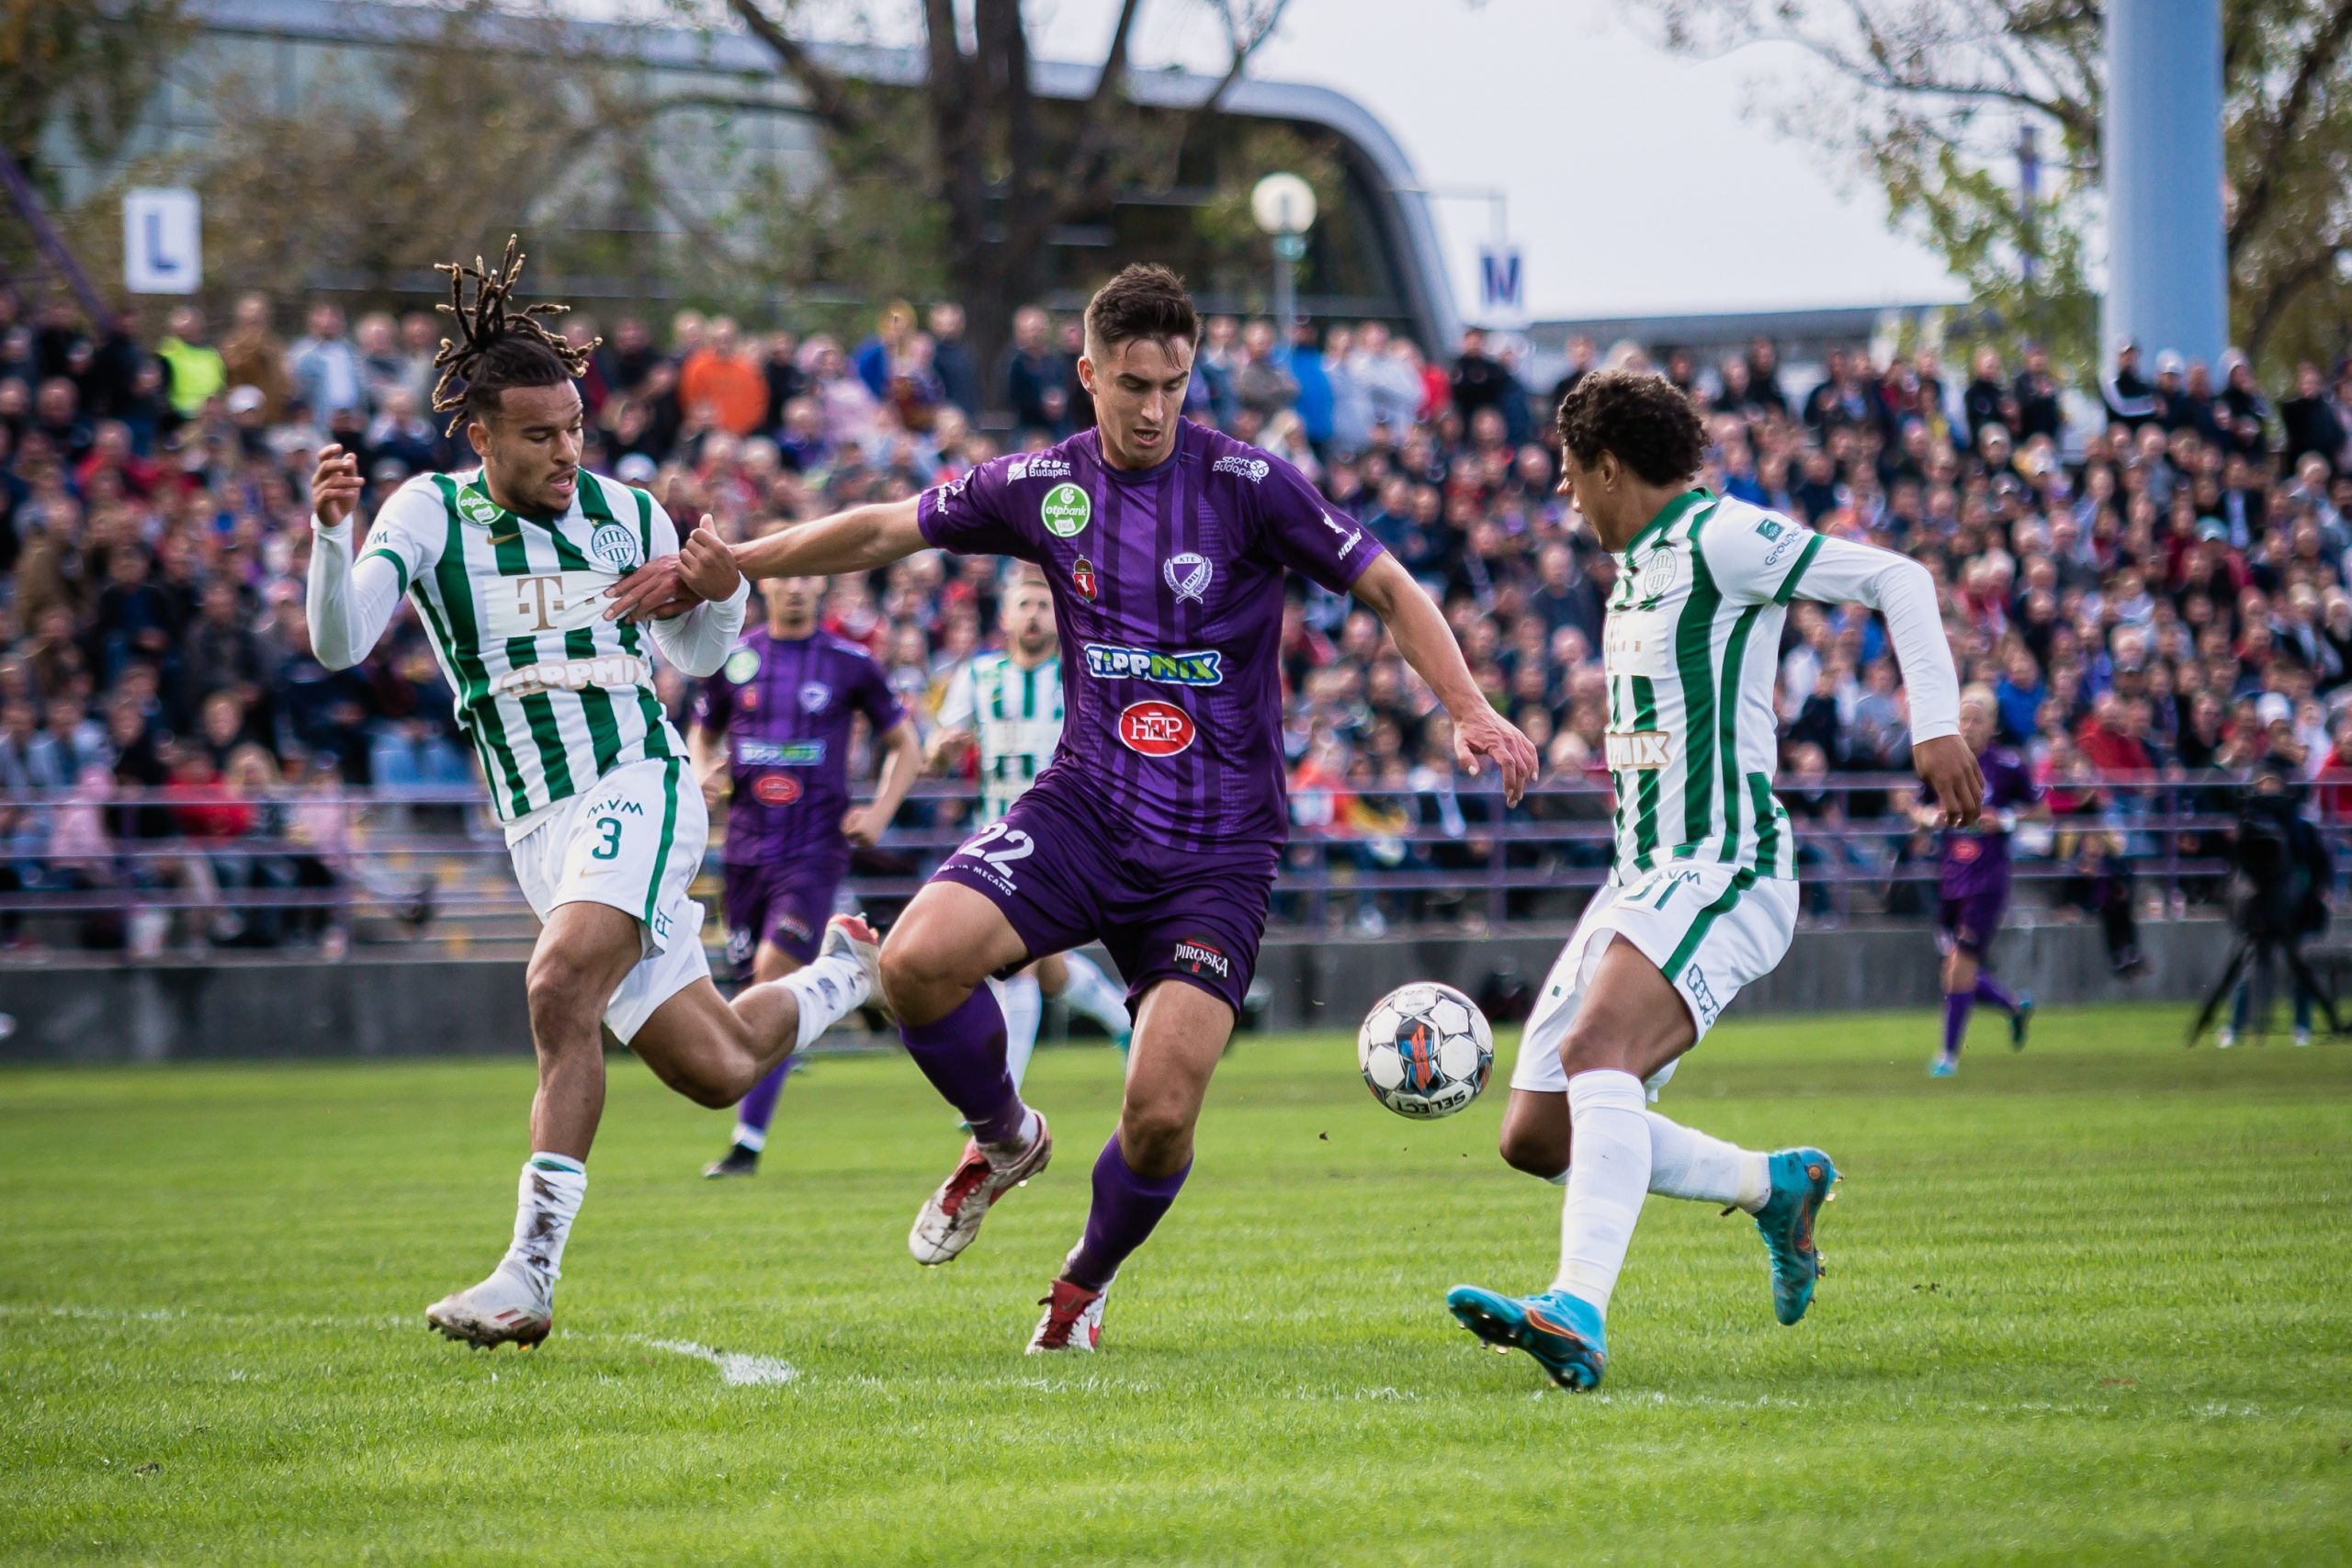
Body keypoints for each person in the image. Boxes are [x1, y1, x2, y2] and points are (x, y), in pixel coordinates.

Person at [610, 263, 1536, 1354]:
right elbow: (877, 530)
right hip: (1084, 808)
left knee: (1157, 1117)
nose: (1154, 409)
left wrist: (1469, 706)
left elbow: (1386, 584)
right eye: (1133, 384)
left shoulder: (1248, 484)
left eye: (1175, 386)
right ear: (1087, 373)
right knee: (912, 962)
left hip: (1216, 853)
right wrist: (729, 569)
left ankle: (1081, 1285)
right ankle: (1004, 1138)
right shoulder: (1043, 484)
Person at [303, 238, 880, 1350]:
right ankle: (847, 976)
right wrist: (332, 540)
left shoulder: (629, 513)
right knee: (712, 1069)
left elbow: (706, 658)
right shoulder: (427, 513)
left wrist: (722, 595)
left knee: (559, 982)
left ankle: (528, 1274)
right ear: (481, 436)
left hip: (640, 783)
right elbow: (339, 644)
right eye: (539, 435)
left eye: (574, 429)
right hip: (539, 828)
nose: (567, 451)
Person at [1444, 368, 1974, 1392]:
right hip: (1640, 875)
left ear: (1607, 466)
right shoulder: (1638, 567)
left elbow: (1897, 578)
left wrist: (1936, 723)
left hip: (1725, 867)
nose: (1563, 497)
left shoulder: (1719, 537)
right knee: (1532, 1134)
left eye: (1568, 475)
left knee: (1600, 1046)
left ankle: (1575, 1310)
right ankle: (1774, 1186)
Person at [696, 553, 922, 1179]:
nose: (795, 587)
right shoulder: (736, 658)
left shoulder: (849, 662)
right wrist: (700, 774)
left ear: (820, 582)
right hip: (743, 853)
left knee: (770, 976)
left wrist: (878, 811)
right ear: (765, 584)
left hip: (814, 850)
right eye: (785, 576)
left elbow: (906, 744)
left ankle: (746, 1143)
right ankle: (858, 986)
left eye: (806, 576)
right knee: (753, 995)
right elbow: (703, 732)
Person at [928, 570, 1136, 1089]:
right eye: (1025, 604)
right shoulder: (979, 676)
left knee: (1015, 960)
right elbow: (938, 744)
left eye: (1045, 605)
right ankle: (1124, 1022)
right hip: (995, 836)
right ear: (1005, 615)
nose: (1035, 615)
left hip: (1067, 837)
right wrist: (942, 749)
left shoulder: (1080, 676)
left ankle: (1004, 1091)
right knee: (1044, 966)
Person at [1911, 686, 2045, 1076]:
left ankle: (1948, 1056)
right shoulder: (1945, 762)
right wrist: (1928, 818)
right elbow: (1916, 806)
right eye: (1964, 718)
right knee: (1953, 970)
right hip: (1951, 876)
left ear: (1992, 725)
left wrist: (2005, 820)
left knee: (1960, 965)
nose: (1968, 726)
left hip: (1988, 878)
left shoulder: (2006, 764)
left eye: (1977, 719)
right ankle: (2015, 1007)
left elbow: (2041, 811)